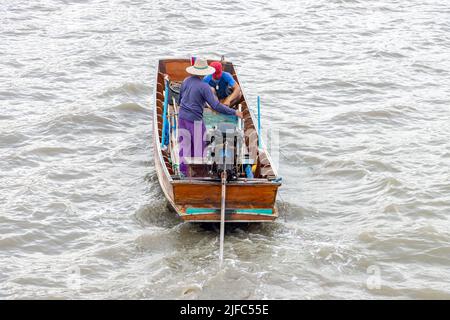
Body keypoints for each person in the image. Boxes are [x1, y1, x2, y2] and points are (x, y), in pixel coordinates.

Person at [178, 58, 243, 176]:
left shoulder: (186, 80)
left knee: (184, 145)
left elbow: (180, 99)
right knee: (199, 148)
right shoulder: (204, 87)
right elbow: (216, 106)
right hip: (195, 120)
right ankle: (199, 176)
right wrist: (234, 112)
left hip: (182, 117)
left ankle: (183, 172)